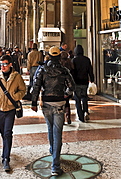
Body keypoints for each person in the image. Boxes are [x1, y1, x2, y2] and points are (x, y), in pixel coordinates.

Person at [31, 46, 75, 177]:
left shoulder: (42, 69)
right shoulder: (64, 70)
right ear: (59, 57)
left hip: (46, 103)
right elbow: (72, 86)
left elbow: (36, 87)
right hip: (60, 103)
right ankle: (55, 165)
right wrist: (66, 95)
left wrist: (33, 103)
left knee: (50, 128)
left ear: (49, 56)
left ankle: (52, 150)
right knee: (58, 132)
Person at [0, 54, 26, 172]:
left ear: (10, 64)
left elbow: (23, 90)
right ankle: (6, 147)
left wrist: (15, 97)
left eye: (5, 64)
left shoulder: (16, 77)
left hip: (10, 109)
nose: (3, 66)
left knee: (7, 133)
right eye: (1, 64)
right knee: (3, 132)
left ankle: (6, 158)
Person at [72, 44, 94, 123]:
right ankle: (85, 111)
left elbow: (72, 72)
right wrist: (92, 79)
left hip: (76, 82)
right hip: (85, 81)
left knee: (77, 99)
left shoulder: (74, 60)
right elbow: (90, 70)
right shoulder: (87, 59)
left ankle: (81, 116)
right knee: (84, 97)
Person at [60, 51, 74, 124]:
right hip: (68, 84)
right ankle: (68, 116)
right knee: (67, 102)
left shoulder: (60, 64)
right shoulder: (70, 62)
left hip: (61, 85)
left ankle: (61, 118)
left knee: (61, 103)